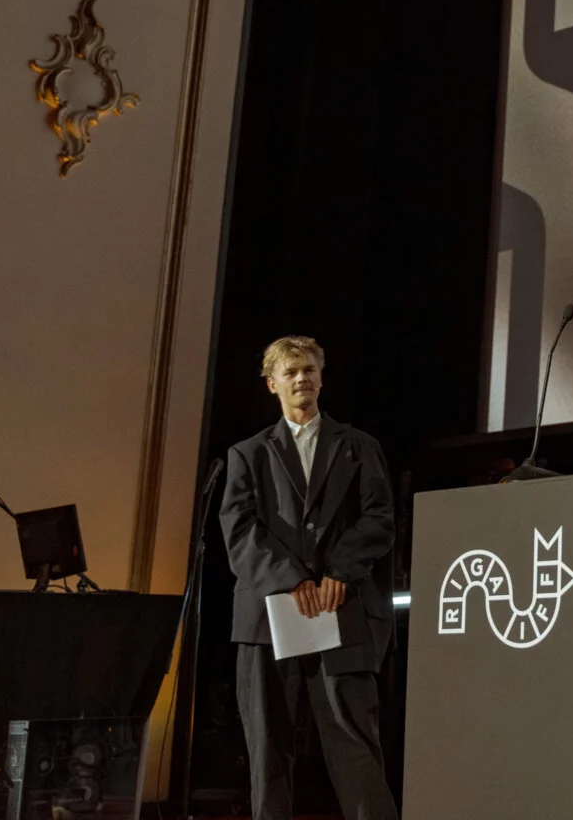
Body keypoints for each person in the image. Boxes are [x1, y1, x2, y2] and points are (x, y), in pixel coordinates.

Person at [220, 336, 398, 820]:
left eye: (310, 370)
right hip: (267, 617)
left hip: (343, 607)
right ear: (272, 383)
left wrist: (339, 571)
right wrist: (293, 580)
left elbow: (379, 518)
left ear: (321, 378)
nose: (302, 378)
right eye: (292, 372)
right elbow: (240, 531)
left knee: (354, 741)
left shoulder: (359, 446)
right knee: (267, 746)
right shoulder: (247, 454)